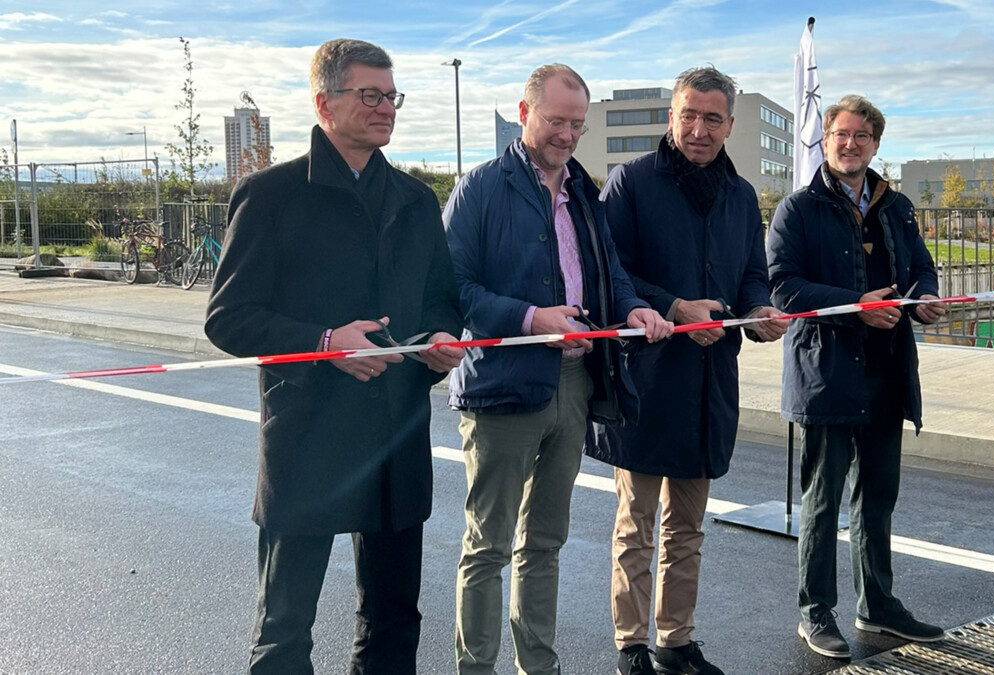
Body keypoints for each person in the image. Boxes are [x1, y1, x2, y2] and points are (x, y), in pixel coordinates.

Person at [204, 38, 464, 675]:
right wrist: (323, 343)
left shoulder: (415, 199)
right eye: (368, 95)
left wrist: (438, 339)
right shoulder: (270, 195)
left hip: (396, 436)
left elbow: (442, 300)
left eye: (391, 96)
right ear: (324, 103)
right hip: (308, 438)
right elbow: (228, 319)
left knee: (395, 618)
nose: (384, 108)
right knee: (285, 628)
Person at [443, 63, 672, 675]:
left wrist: (638, 307)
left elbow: (610, 275)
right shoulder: (481, 187)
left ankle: (539, 667)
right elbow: (452, 287)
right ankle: (476, 668)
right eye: (555, 121)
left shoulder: (584, 191)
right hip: (501, 385)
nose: (567, 135)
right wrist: (527, 317)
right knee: (487, 547)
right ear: (524, 114)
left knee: (544, 543)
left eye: (577, 124)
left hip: (574, 385)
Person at [586, 66, 787, 675]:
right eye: (688, 116)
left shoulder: (740, 194)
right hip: (647, 380)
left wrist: (757, 311)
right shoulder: (631, 183)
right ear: (671, 118)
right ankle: (631, 646)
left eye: (712, 118)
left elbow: (752, 272)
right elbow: (609, 273)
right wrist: (672, 307)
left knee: (687, 528)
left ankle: (675, 640)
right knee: (636, 526)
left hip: (708, 381)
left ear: (729, 123)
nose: (699, 129)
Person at [766, 94, 948, 660]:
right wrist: (853, 305)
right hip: (827, 374)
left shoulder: (898, 207)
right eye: (840, 134)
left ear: (876, 144)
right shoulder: (797, 209)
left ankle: (879, 606)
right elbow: (782, 286)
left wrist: (925, 300)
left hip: (887, 372)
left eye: (861, 137)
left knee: (877, 499)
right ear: (825, 140)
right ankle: (814, 611)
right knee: (822, 502)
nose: (850, 144)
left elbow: (920, 268)